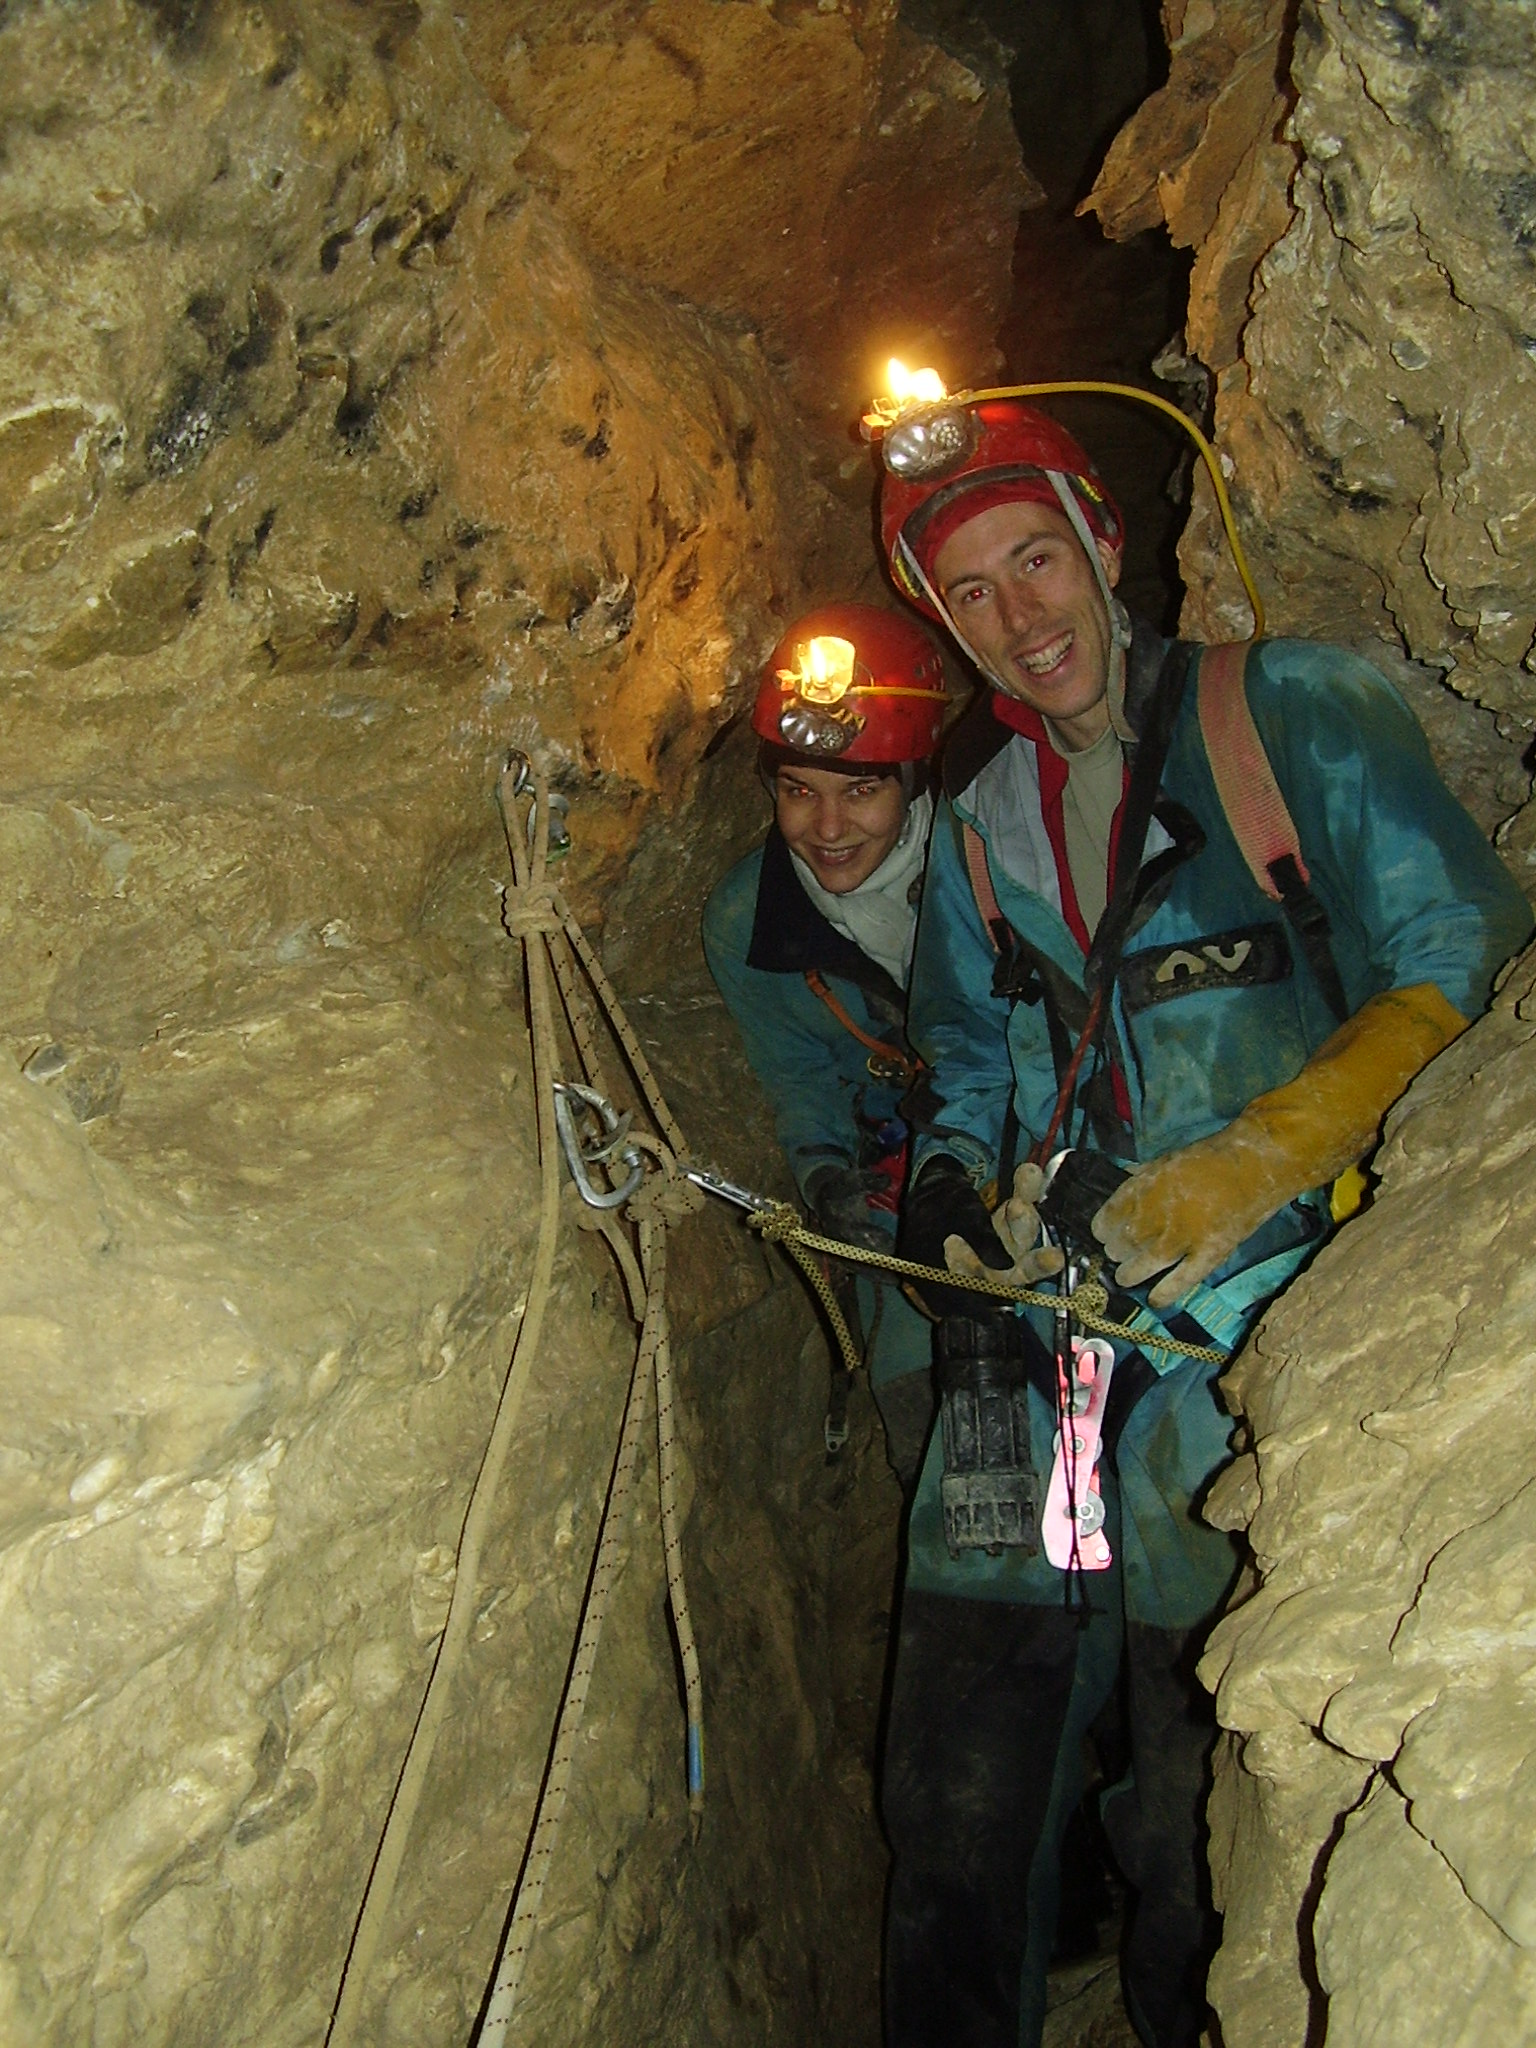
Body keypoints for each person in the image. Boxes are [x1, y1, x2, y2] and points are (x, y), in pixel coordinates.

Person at [871, 398, 1533, 2047]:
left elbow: (1459, 950)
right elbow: (964, 1055)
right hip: (1041, 1341)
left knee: (1190, 1799)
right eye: (971, 592)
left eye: (1037, 558)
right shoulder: (978, 827)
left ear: (1103, 543)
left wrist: (1263, 1153)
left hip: (1250, 1327)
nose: (1020, 614)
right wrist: (946, 1185)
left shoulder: (1285, 710)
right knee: (956, 1779)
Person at [702, 602, 949, 1488]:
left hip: (1030, 1157)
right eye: (800, 791)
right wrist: (826, 1180)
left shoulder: (992, 864)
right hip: (901, 1182)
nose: (829, 829)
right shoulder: (750, 921)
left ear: (913, 782)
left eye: (862, 790)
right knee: (922, 1407)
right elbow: (797, 1072)